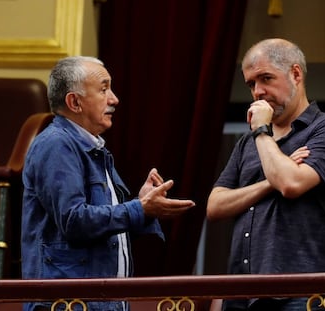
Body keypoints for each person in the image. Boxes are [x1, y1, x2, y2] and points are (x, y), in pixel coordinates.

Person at [21, 56, 196, 311]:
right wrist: (140, 208)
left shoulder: (92, 148)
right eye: (104, 89)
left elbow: (104, 228)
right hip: (69, 304)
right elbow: (74, 221)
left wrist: (140, 203)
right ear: (74, 102)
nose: (114, 99)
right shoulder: (57, 144)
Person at [207, 38, 325, 311]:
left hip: (301, 295)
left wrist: (262, 131)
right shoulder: (246, 143)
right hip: (240, 294)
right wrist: (267, 184)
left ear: (295, 74)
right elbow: (215, 206)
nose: (258, 91)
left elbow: (291, 183)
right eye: (251, 84)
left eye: (266, 78)